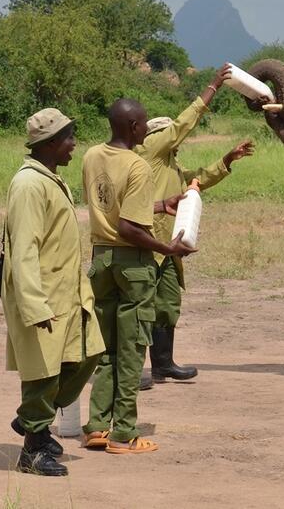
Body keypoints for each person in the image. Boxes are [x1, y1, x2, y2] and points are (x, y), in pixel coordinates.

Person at [81, 98, 195, 455]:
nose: (146, 130)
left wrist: (161, 205)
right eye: (144, 124)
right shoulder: (138, 166)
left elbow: (112, 208)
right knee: (131, 350)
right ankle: (124, 433)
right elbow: (129, 227)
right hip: (133, 266)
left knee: (108, 350)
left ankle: (98, 426)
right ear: (131, 128)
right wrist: (167, 249)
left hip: (101, 260)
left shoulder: (91, 156)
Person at [136, 64, 254, 388]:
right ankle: (133, 370)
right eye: (167, 137)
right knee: (141, 305)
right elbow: (183, 123)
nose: (172, 139)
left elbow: (196, 180)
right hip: (146, 241)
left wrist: (227, 160)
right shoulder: (148, 153)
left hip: (170, 245)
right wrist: (213, 85)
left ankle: (163, 364)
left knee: (167, 304)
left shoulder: (169, 163)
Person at [1, 108, 105, 476]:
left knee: (86, 356)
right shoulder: (30, 184)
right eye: (68, 137)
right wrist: (34, 305)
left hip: (68, 293)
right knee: (43, 371)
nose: (74, 144)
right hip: (43, 296)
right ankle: (33, 447)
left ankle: (31, 420)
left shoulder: (50, 179)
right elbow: (24, 249)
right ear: (49, 144)